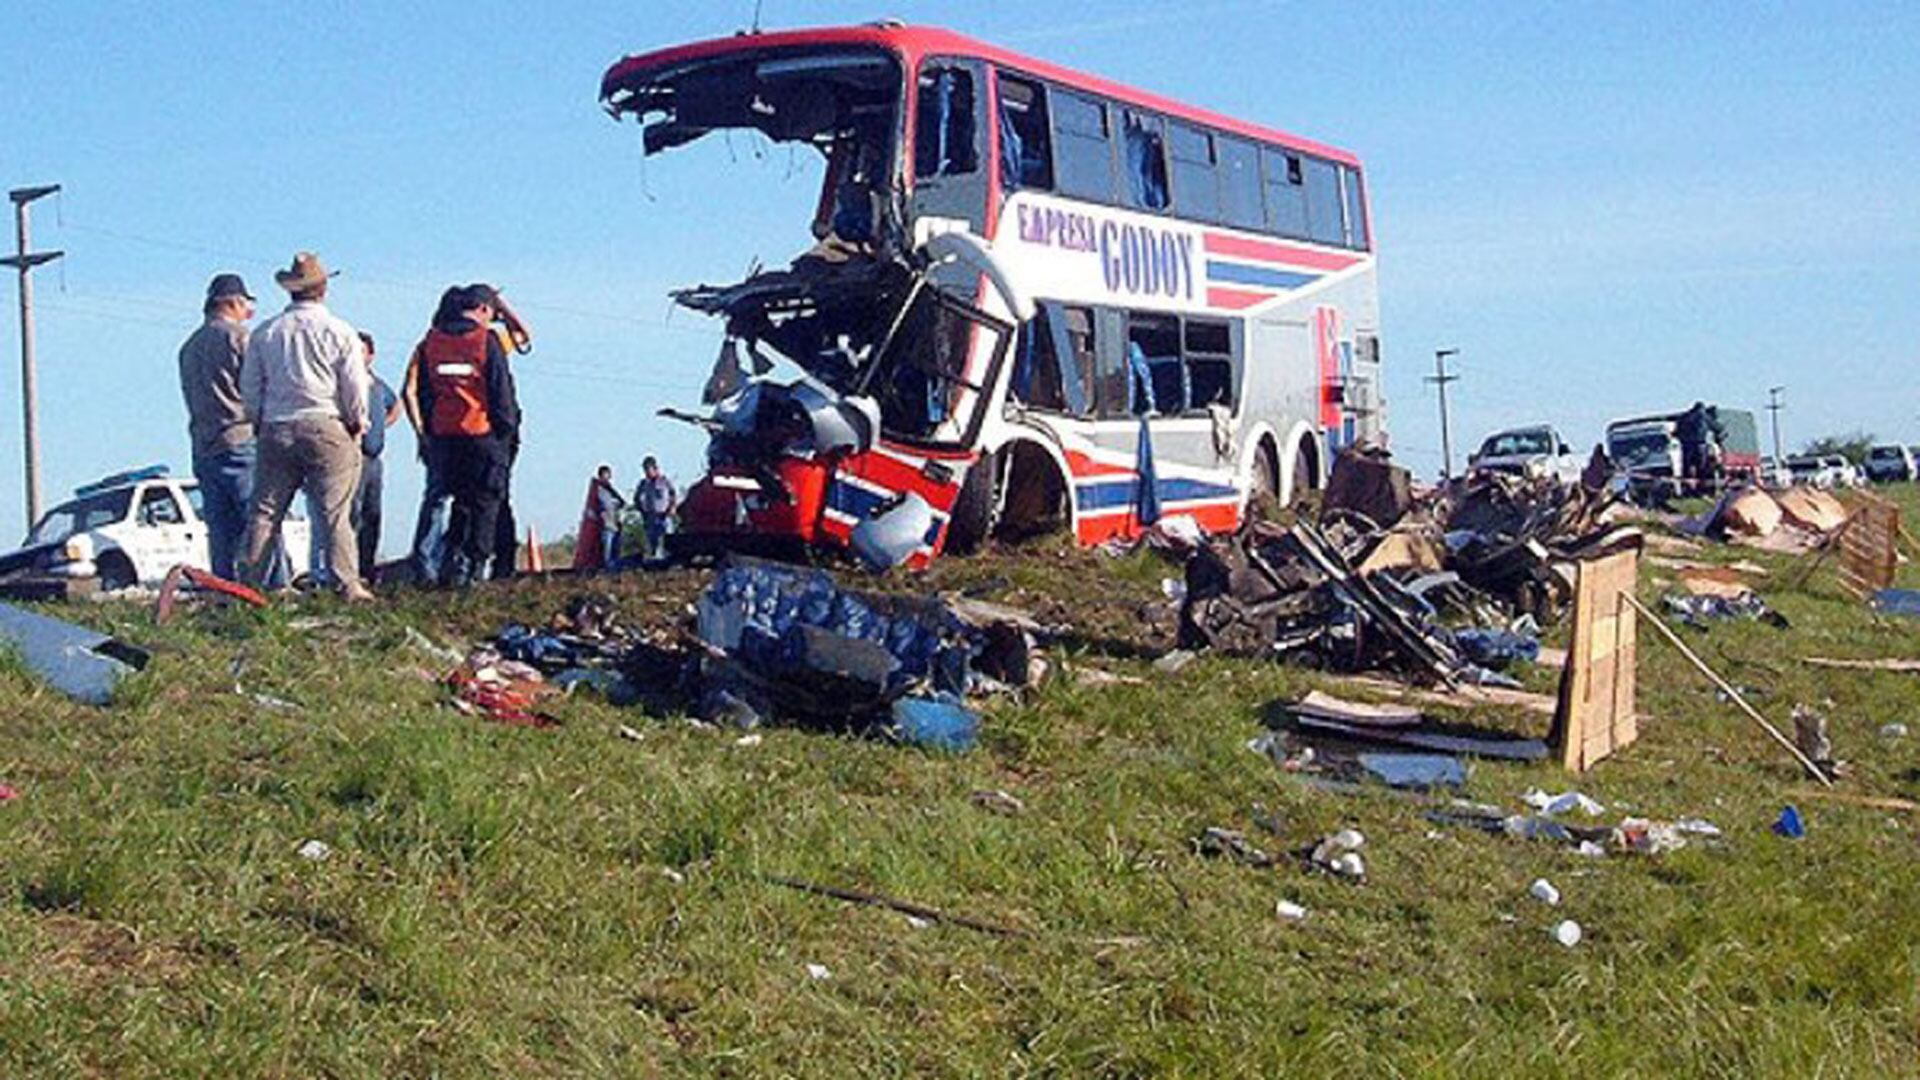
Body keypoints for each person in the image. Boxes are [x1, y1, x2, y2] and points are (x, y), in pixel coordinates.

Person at [238, 252, 372, 600]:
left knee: (266, 511)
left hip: (277, 426)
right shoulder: (340, 332)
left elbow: (250, 389)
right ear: (323, 288)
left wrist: (259, 420)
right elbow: (354, 385)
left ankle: (247, 585)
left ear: (290, 290)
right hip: (326, 422)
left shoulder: (265, 333)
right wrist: (357, 421)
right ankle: (347, 584)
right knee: (334, 512)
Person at [414, 286, 518, 586]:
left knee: (457, 502)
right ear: (483, 310)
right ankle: (475, 570)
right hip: (482, 434)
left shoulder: (431, 341)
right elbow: (501, 391)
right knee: (486, 503)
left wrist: (431, 432)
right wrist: (505, 433)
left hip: (445, 437)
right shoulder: (485, 341)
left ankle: (452, 569)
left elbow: (425, 391)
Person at [176, 272, 257, 580]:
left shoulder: (188, 348)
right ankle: (270, 591)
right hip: (240, 437)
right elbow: (255, 388)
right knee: (259, 521)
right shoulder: (239, 338)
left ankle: (223, 592)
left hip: (204, 446)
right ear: (234, 302)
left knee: (220, 531)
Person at [353, 331, 402, 577]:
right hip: (352, 457)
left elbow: (396, 405)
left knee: (372, 514)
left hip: (374, 458)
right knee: (352, 513)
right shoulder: (346, 382)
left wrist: (383, 423)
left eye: (361, 350)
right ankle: (349, 568)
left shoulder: (379, 385)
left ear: (370, 355)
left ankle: (367, 567)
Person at [633, 456, 678, 560]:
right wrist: (642, 511)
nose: (646, 473)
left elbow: (673, 495)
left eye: (648, 469)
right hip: (650, 516)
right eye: (645, 470)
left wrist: (672, 508)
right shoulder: (643, 484)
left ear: (655, 468)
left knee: (666, 540)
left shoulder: (664, 481)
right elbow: (636, 498)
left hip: (664, 515)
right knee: (652, 541)